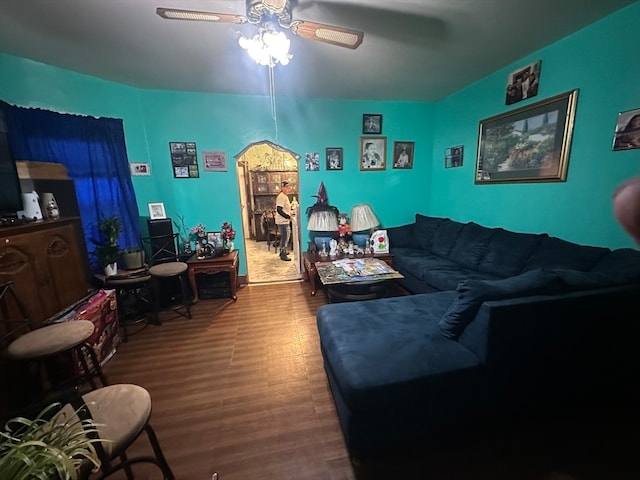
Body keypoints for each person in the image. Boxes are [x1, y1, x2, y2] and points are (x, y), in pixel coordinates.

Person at [275, 181, 294, 261]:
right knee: (285, 237)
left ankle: (283, 251)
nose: (288, 189)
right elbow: (279, 209)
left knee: (286, 236)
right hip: (282, 221)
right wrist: (287, 216)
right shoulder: (281, 196)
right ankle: (282, 254)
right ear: (282, 188)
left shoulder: (284, 196)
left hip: (284, 221)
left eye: (289, 188)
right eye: (286, 187)